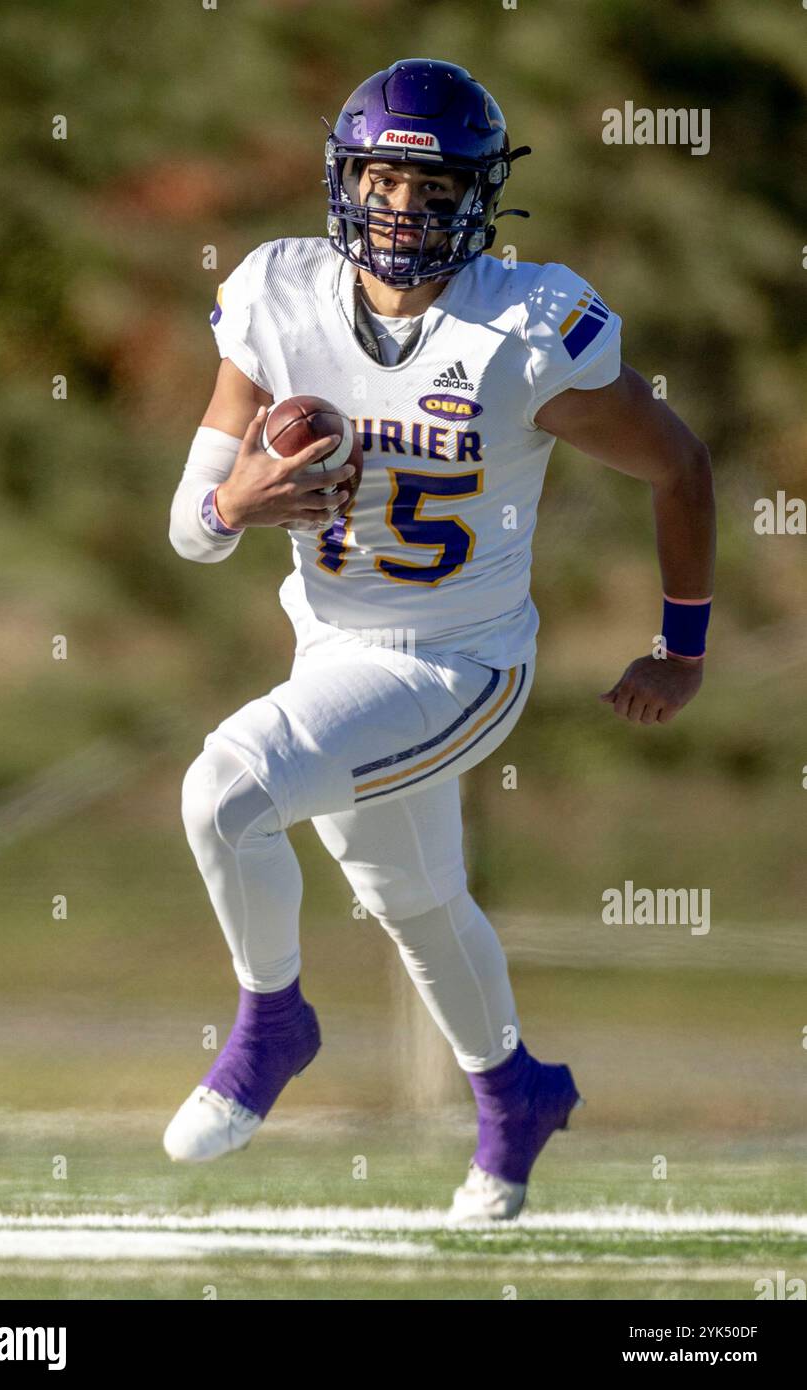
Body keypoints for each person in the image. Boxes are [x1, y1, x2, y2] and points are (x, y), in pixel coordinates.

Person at [164, 59, 715, 1220]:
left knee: (223, 790)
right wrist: (235, 505)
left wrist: (682, 645)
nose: (402, 210)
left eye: (431, 186)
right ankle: (515, 1094)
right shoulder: (279, 296)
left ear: (480, 195)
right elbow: (191, 530)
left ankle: (271, 1023)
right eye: (382, 177)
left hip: (459, 666)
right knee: (410, 898)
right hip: (333, 654)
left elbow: (678, 465)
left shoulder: (522, 329)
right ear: (341, 177)